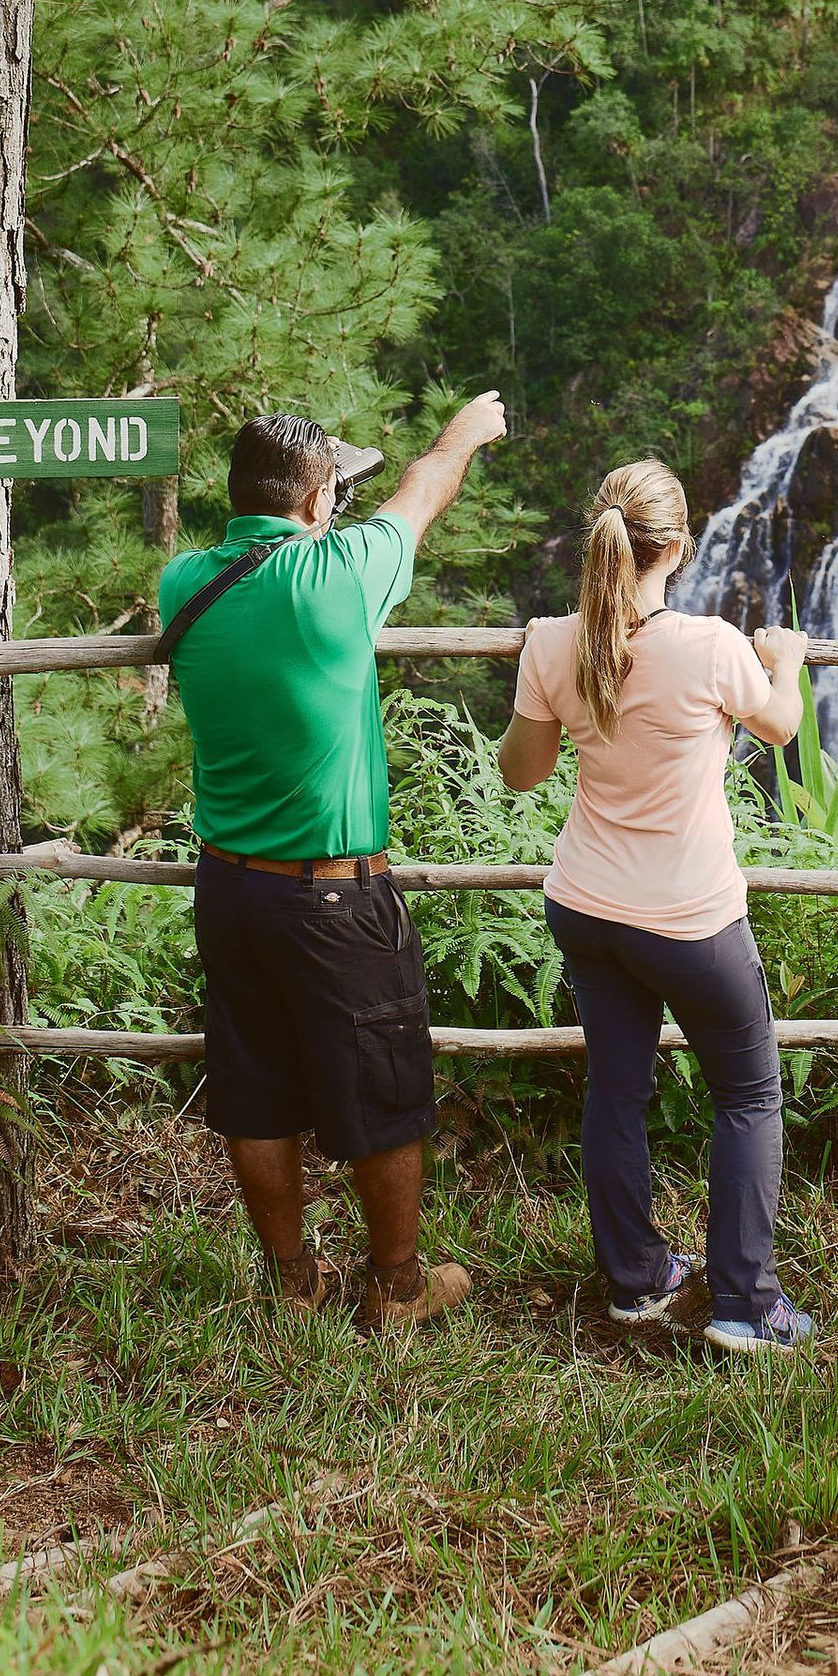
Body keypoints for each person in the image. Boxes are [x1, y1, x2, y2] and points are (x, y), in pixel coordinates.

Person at [161, 395, 506, 1326]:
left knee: (255, 1086)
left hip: (227, 887)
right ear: (317, 499)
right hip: (333, 895)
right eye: (335, 493)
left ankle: (291, 1281)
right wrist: (462, 434)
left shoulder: (183, 580)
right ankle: (395, 1286)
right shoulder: (340, 575)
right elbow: (425, 492)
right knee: (386, 1087)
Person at [498, 458, 815, 1356]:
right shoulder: (713, 646)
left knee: (617, 1090)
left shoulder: (553, 644)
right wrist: (784, 659)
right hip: (691, 920)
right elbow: (781, 727)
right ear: (676, 547)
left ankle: (637, 1284)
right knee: (749, 1093)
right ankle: (746, 1307)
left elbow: (522, 773)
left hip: (588, 908)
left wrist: (536, 665)